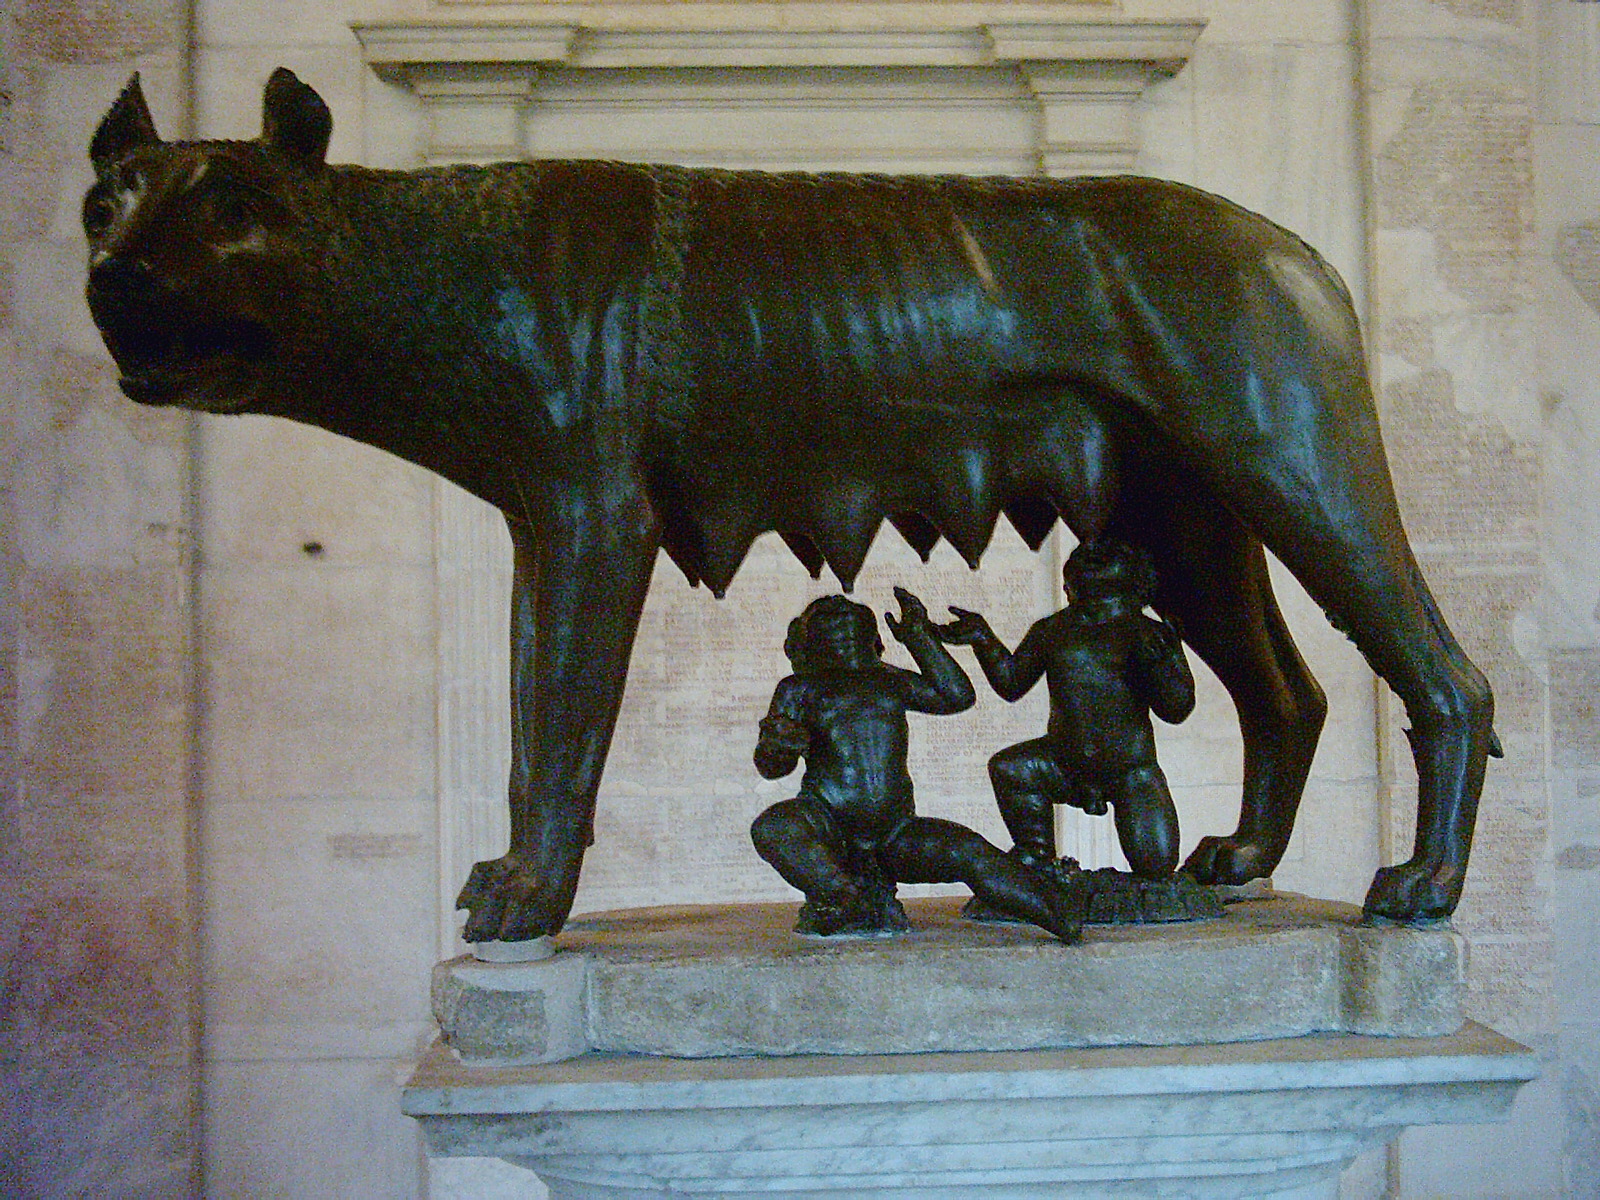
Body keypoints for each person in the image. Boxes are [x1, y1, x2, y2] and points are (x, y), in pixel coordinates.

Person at [751, 588, 1084, 941]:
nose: (843, 630)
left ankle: (1057, 914)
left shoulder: (889, 680)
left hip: (896, 832)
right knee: (774, 827)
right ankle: (841, 893)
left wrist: (919, 637)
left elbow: (956, 696)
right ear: (808, 645)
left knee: (970, 851)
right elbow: (770, 768)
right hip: (827, 823)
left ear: (873, 642)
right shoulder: (799, 689)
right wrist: (779, 746)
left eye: (853, 631)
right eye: (830, 631)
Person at [937, 539, 1195, 878]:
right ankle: (1037, 855)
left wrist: (1162, 666)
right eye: (1085, 556)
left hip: (1131, 770)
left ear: (1133, 583)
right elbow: (1011, 684)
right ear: (1069, 587)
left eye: (1108, 555)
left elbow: (1177, 710)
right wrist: (984, 639)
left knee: (1156, 867)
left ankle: (1059, 863)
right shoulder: (1053, 630)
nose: (1093, 555)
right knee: (1011, 768)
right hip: (1062, 762)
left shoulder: (1147, 634)